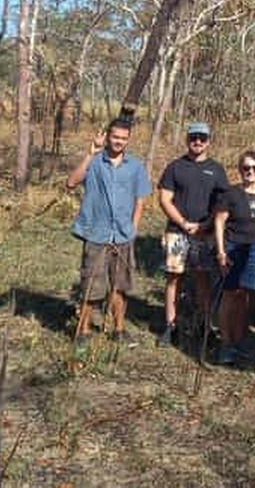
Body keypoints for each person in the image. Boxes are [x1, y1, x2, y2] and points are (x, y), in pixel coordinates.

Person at [68, 118, 152, 347]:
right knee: (91, 285)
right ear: (107, 137)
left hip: (123, 235)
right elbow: (72, 182)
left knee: (120, 285)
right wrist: (89, 153)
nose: (119, 142)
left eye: (124, 138)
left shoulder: (135, 167)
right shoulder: (95, 162)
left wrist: (133, 228)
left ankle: (119, 329)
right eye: (115, 137)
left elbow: (140, 200)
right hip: (97, 233)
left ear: (129, 140)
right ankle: (83, 330)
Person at [157, 122, 230, 347]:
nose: (197, 141)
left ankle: (205, 327)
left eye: (202, 138)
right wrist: (183, 223)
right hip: (176, 233)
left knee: (202, 280)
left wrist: (206, 224)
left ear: (208, 141)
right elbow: (164, 199)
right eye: (193, 137)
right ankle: (170, 326)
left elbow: (222, 203)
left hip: (204, 234)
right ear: (187, 139)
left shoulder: (216, 170)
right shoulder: (175, 167)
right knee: (173, 279)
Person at [213, 150, 255, 366]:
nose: (250, 172)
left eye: (254, 168)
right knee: (229, 295)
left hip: (254, 249)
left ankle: (238, 340)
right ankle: (226, 343)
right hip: (233, 247)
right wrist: (221, 251)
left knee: (244, 295)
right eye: (246, 168)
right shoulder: (231, 194)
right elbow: (219, 222)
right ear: (240, 170)